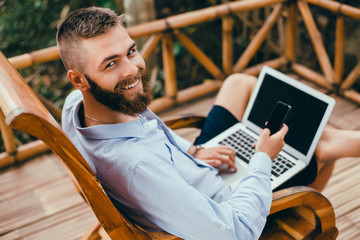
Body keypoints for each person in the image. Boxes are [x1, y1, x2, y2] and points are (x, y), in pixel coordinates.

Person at [57, 7, 360, 240]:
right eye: (111, 63)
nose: (133, 70)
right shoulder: (138, 168)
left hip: (192, 166)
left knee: (238, 83)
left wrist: (193, 150)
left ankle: (304, 141)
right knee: (319, 145)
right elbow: (234, 232)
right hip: (228, 205)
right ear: (79, 79)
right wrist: (262, 159)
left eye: (131, 51)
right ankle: (293, 209)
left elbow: (151, 131)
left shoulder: (77, 106)